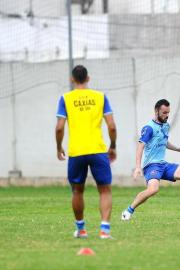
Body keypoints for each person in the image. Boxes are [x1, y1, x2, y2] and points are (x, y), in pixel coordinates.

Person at [121, 99, 180, 220]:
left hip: (163, 164)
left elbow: (163, 141)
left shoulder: (166, 125)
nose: (167, 115)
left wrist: (178, 149)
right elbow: (140, 146)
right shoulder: (149, 128)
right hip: (151, 165)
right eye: (164, 112)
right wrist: (138, 167)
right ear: (156, 111)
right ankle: (128, 211)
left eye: (168, 112)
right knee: (153, 189)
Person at [55, 65, 117, 239]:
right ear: (88, 78)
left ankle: (81, 230)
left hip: (77, 151)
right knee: (104, 190)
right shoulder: (100, 97)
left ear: (72, 79)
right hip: (97, 150)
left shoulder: (65, 99)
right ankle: (104, 231)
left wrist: (59, 147)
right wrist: (112, 145)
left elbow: (59, 128)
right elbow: (111, 126)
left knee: (77, 191)